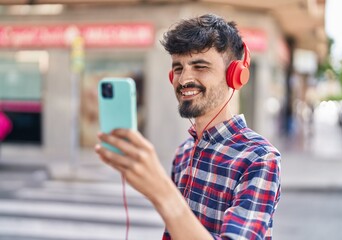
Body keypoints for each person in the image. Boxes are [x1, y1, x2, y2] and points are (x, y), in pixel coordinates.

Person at [95, 13, 281, 240]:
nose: (183, 80)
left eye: (200, 66)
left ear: (234, 75)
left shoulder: (260, 158)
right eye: (179, 68)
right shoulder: (184, 152)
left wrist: (162, 192)